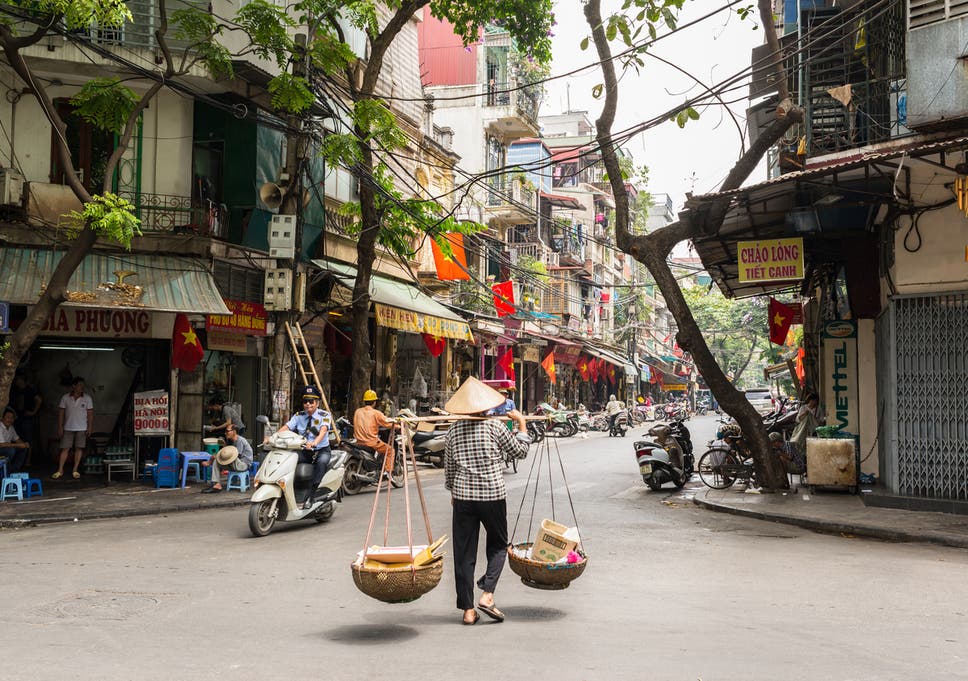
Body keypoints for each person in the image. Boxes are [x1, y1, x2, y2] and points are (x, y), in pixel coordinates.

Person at [444, 377, 530, 626]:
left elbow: (449, 469)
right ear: (486, 406)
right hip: (492, 495)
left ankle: (468, 611)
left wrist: (452, 490)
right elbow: (520, 452)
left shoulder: (453, 431)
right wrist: (522, 422)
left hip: (463, 498)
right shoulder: (495, 427)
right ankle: (488, 594)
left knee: (463, 553)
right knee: (499, 546)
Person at [275, 385, 331, 509]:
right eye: (305, 401)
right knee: (287, 461)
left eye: (311, 401)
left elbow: (323, 431)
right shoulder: (298, 416)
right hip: (304, 451)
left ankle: (311, 496)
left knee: (321, 464)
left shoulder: (325, 415)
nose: (308, 404)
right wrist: (273, 437)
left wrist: (315, 442)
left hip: (321, 450)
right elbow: (287, 427)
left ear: (317, 403)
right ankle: (286, 493)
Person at [53, 377, 93, 480]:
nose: (82, 387)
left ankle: (75, 469)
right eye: (80, 385)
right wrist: (60, 427)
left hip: (82, 427)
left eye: (83, 385)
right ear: (73, 386)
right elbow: (61, 413)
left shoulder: (87, 398)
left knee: (79, 448)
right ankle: (60, 469)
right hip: (68, 427)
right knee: (65, 448)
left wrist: (89, 427)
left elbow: (90, 414)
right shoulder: (65, 398)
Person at [200, 425, 253, 493]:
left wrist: (218, 457)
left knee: (218, 457)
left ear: (234, 432)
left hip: (243, 465)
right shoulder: (231, 441)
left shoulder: (240, 440)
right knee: (216, 461)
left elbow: (236, 456)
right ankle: (217, 485)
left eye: (227, 431)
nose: (225, 433)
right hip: (235, 463)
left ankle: (209, 462)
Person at [353, 389, 395, 471]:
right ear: (374, 402)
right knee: (390, 451)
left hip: (358, 441)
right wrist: (399, 426)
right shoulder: (376, 413)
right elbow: (387, 423)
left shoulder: (357, 411)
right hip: (371, 442)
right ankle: (387, 472)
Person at [10, 370, 41, 464]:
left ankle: (28, 460)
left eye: (17, 379)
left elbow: (39, 400)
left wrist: (33, 412)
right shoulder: (14, 390)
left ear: (22, 380)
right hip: (16, 418)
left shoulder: (30, 390)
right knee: (17, 438)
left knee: (28, 438)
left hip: (27, 417)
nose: (16, 381)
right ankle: (18, 460)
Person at [0, 408, 30, 473]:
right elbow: (2, 444)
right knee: (11, 450)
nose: (10, 420)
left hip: (5, 449)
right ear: (2, 418)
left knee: (23, 449)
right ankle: (6, 470)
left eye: (12, 418)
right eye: (8, 417)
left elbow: (17, 440)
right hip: (1, 448)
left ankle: (14, 470)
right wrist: (19, 445)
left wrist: (24, 445)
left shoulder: (11, 427)